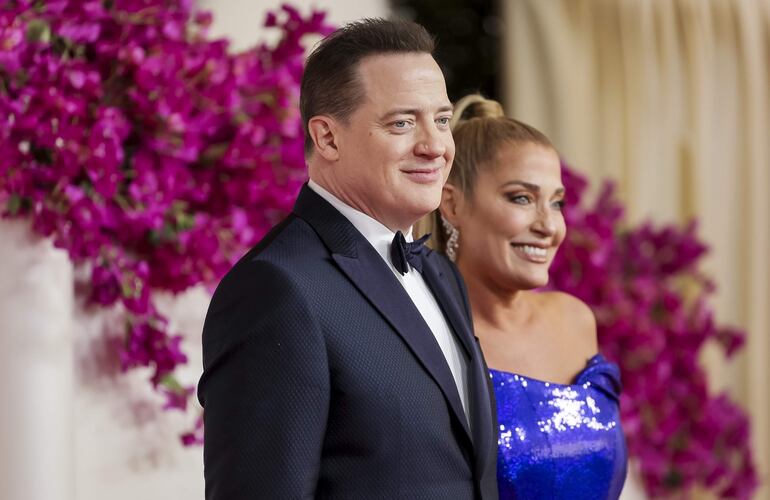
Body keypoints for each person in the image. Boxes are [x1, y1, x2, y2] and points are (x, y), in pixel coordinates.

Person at [197, 20, 499, 499]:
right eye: (402, 123)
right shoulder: (276, 289)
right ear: (328, 138)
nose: (435, 146)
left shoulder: (440, 273)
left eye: (441, 120)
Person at [420, 95, 627, 499]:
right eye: (521, 198)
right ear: (453, 203)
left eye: (557, 203)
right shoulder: (425, 336)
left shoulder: (575, 319)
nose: (549, 226)